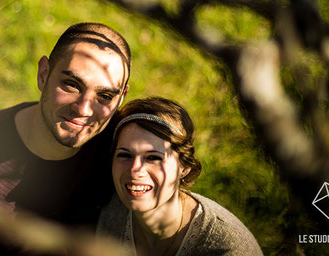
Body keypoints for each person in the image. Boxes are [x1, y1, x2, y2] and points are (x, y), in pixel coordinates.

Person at [0, 22, 131, 255]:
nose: (84, 109)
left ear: (120, 98)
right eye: (71, 84)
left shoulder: (129, 146)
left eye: (105, 95)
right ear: (44, 74)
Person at [97, 97, 263, 256]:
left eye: (153, 157)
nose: (135, 169)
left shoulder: (228, 247)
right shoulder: (107, 213)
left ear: (184, 167)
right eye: (125, 155)